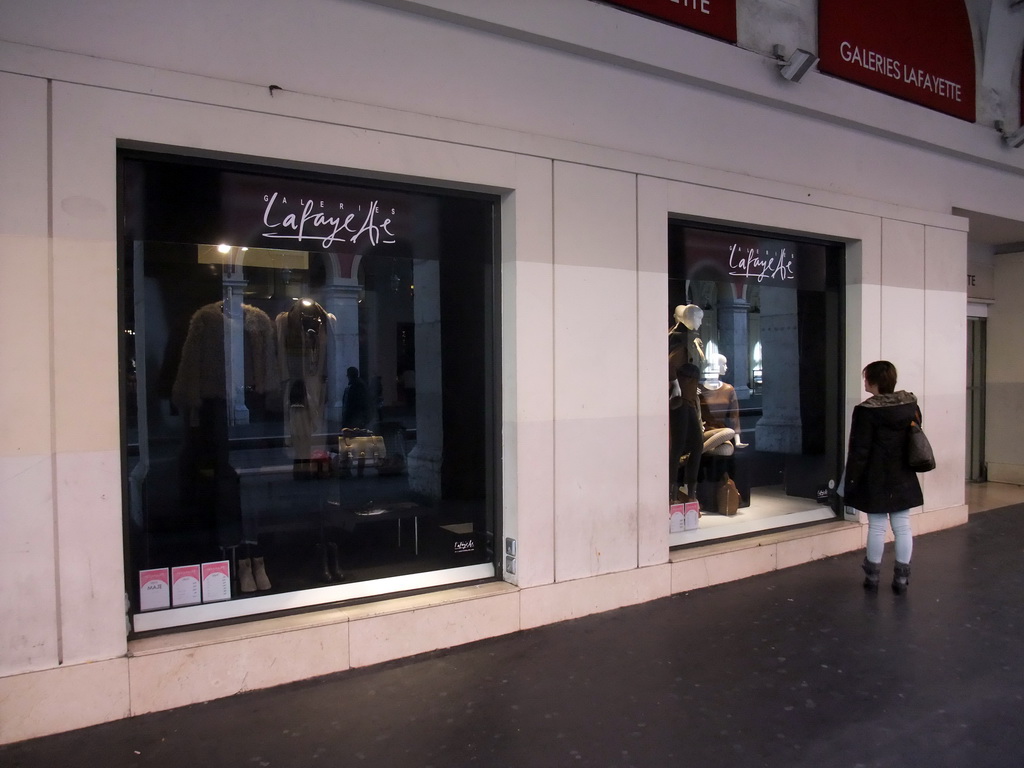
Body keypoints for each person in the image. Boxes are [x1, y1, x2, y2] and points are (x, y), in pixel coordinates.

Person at [842, 360, 923, 594]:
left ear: (874, 381)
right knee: (902, 526)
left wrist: (852, 481)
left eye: (866, 377)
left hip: (875, 475)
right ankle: (901, 578)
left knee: (877, 526)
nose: (864, 381)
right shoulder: (910, 404)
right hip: (903, 472)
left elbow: (860, 450)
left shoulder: (866, 411)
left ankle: (873, 576)